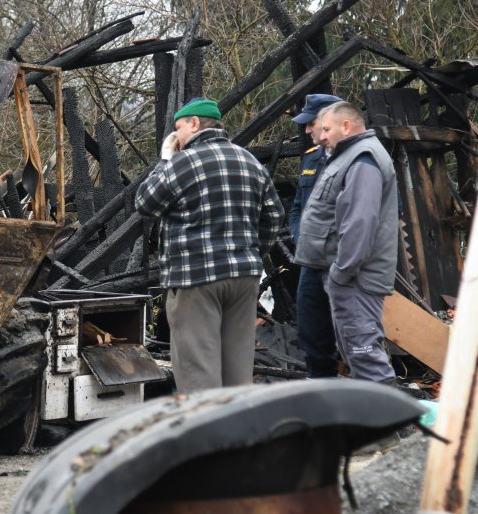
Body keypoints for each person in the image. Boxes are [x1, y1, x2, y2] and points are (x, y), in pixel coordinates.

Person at [136, 98, 284, 392]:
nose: (176, 137)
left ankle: (207, 436)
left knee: (198, 370)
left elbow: (145, 203)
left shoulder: (182, 163)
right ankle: (238, 435)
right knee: (237, 369)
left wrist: (165, 158)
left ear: (193, 124)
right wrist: (252, 254)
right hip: (243, 278)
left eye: (178, 129)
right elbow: (275, 216)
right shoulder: (249, 160)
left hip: (195, 278)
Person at [294, 101, 397, 383]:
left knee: (365, 356)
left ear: (347, 126)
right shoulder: (347, 156)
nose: (321, 134)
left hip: (354, 279)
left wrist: (342, 272)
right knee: (356, 354)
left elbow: (359, 222)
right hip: (347, 276)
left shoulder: (363, 157)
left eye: (326, 128)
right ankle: (374, 424)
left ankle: (387, 425)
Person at [289, 94, 343, 378]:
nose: (307, 130)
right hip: (312, 260)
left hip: (343, 260)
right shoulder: (310, 159)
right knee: (311, 328)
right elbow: (297, 208)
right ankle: (321, 389)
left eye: (311, 123)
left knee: (354, 332)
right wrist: (302, 238)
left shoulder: (359, 158)